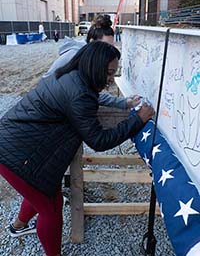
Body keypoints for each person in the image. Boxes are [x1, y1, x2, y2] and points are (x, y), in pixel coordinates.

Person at [0, 41, 155, 256]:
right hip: (18, 157)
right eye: (109, 73)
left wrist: (123, 104)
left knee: (42, 191)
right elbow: (99, 141)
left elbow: (92, 98)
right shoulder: (79, 94)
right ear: (95, 66)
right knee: (51, 209)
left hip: (18, 149)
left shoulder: (72, 76)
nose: (111, 79)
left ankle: (17, 226)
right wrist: (137, 119)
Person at [44, 14, 139, 109]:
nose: (109, 52)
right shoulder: (74, 56)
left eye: (111, 46)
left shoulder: (89, 57)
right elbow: (85, 94)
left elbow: (89, 93)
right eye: (104, 46)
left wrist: (124, 102)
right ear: (92, 42)